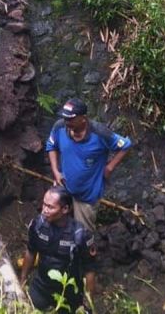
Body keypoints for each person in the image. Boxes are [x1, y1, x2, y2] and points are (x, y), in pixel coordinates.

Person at [46, 97, 132, 292]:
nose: (67, 122)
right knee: (55, 227)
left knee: (83, 239)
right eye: (65, 117)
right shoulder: (60, 127)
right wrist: (56, 171)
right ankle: (56, 265)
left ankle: (87, 280)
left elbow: (125, 145)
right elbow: (51, 146)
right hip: (65, 193)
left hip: (87, 197)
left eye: (71, 118)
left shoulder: (100, 133)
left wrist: (109, 167)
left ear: (83, 118)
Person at [19, 186, 97, 312]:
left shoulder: (80, 235)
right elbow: (30, 252)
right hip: (41, 286)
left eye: (50, 207)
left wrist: (88, 305)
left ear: (65, 209)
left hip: (69, 292)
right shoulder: (38, 225)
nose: (44, 210)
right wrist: (22, 281)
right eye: (44, 205)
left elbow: (90, 271)